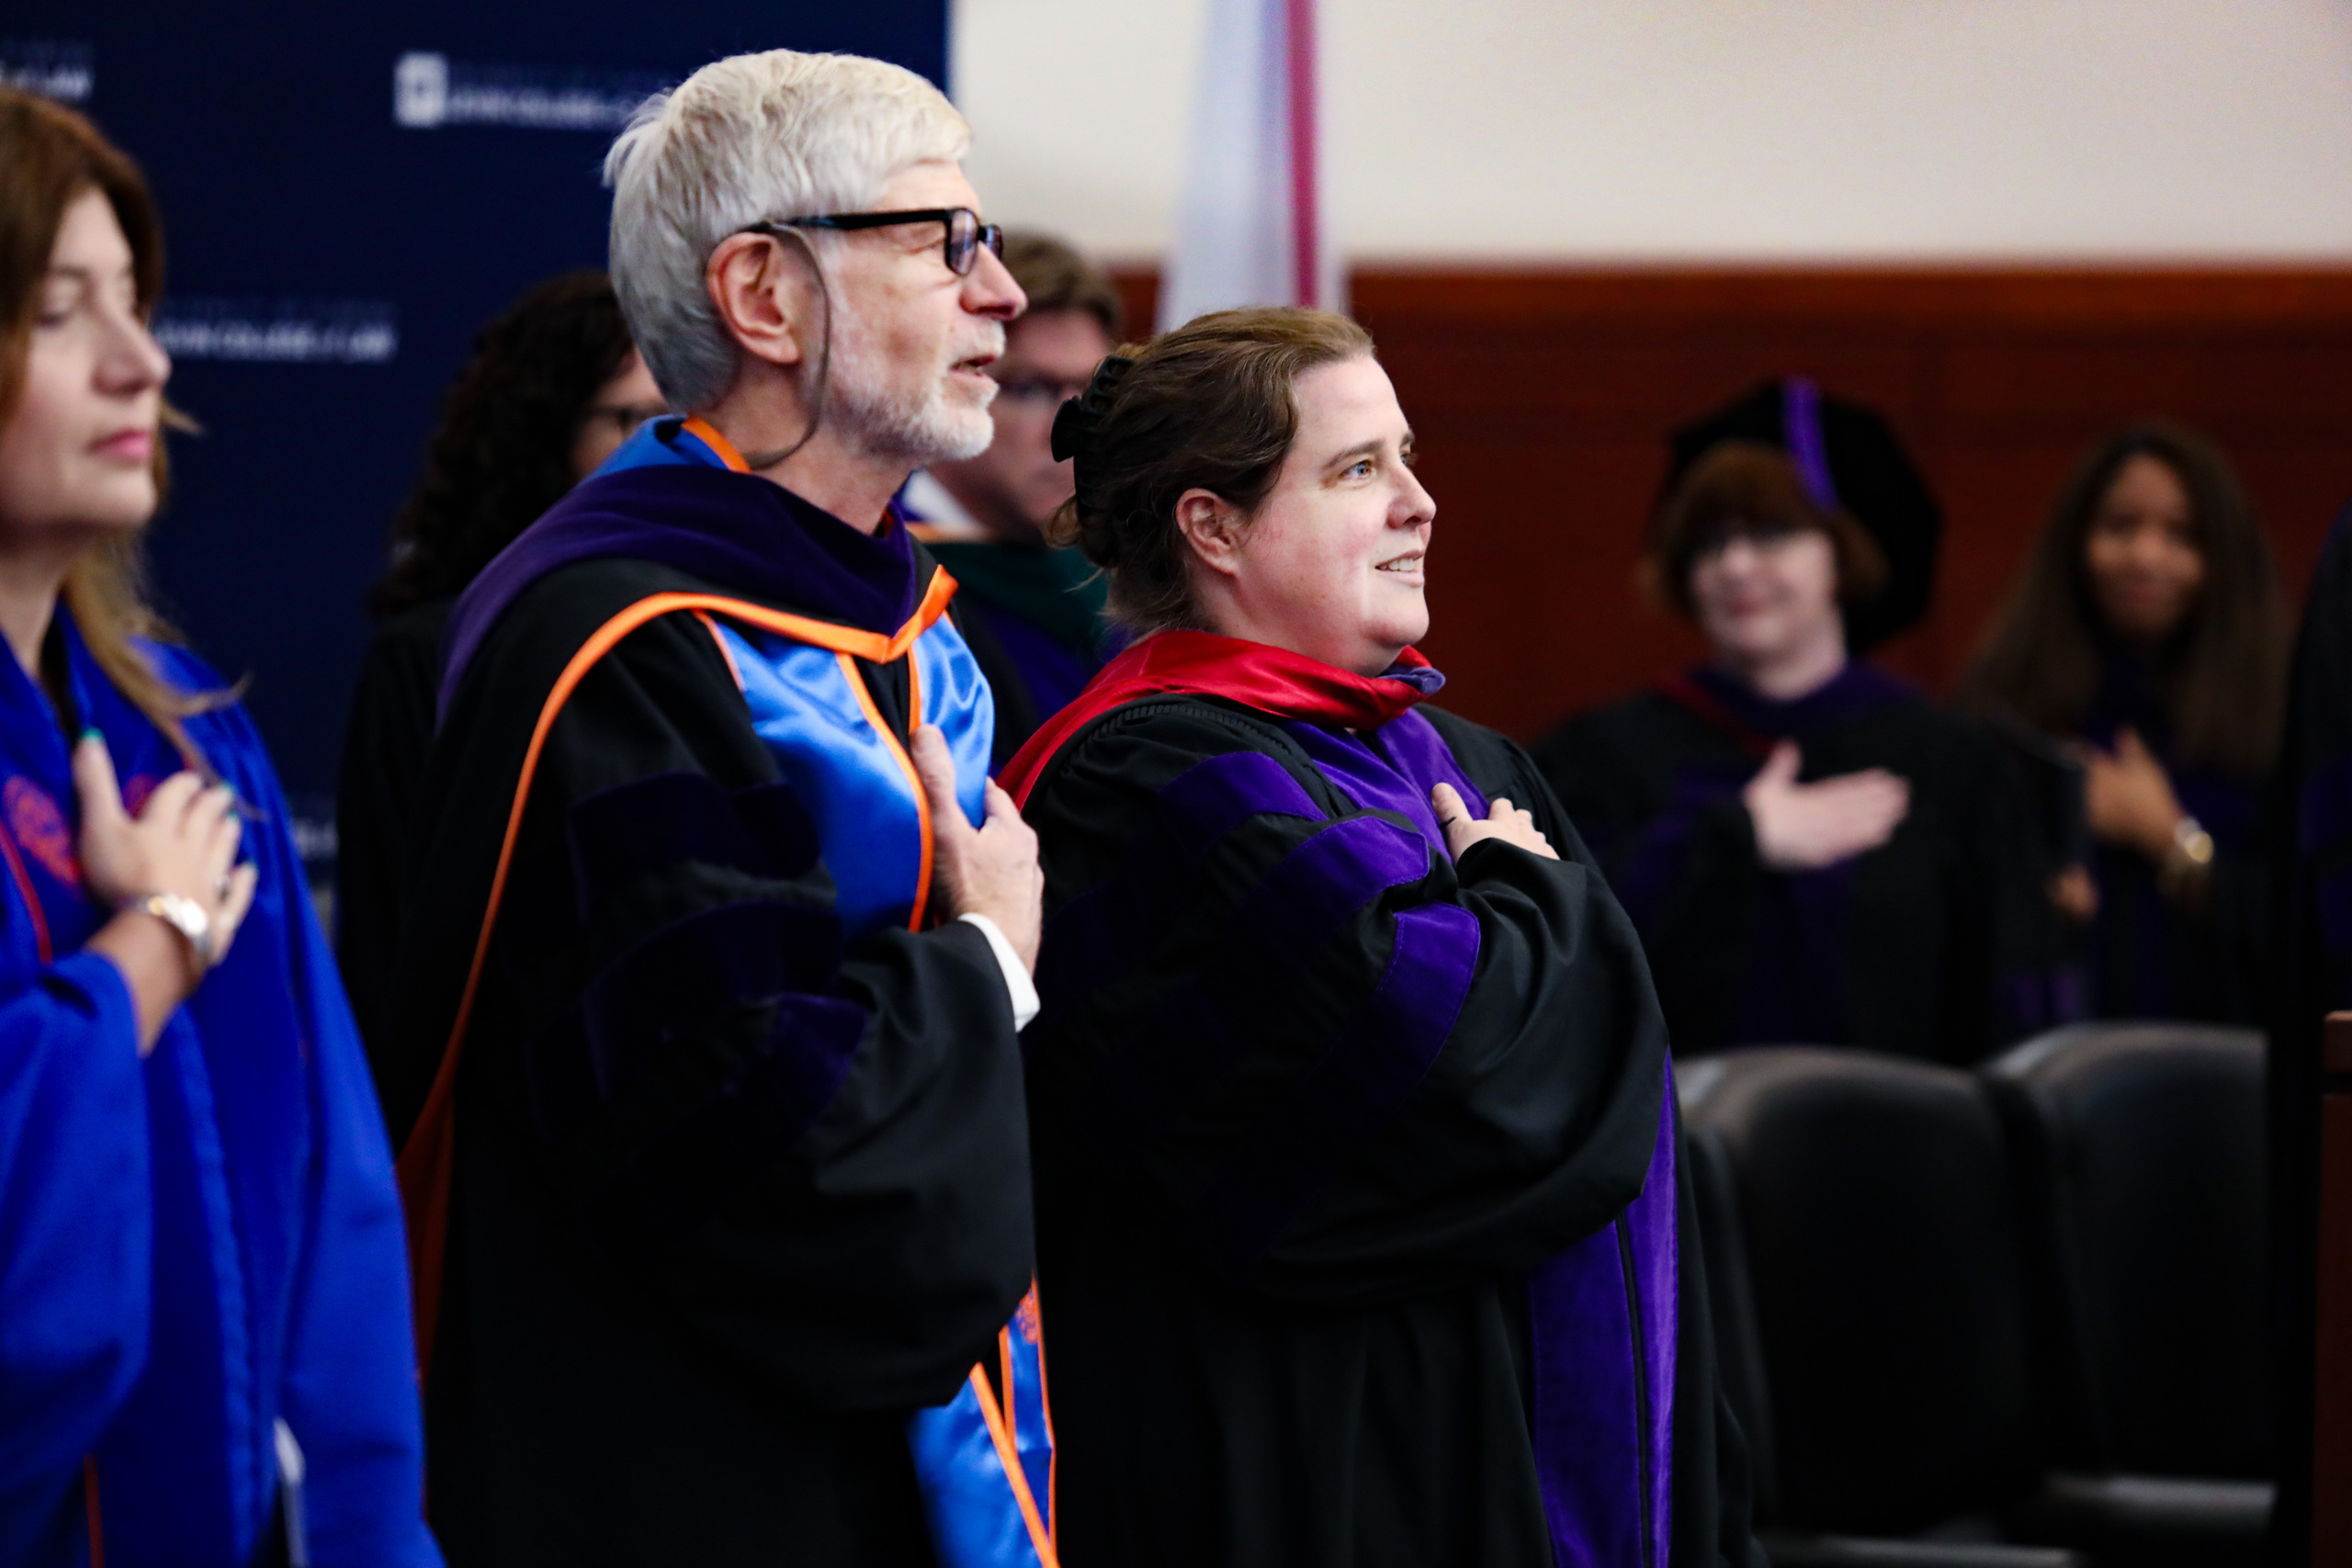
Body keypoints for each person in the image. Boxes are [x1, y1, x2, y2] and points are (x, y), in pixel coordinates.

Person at [379, 51, 1054, 1565]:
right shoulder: (618, 651)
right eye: (945, 239)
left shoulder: (916, 637)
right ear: (765, 296)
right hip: (684, 1468)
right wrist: (990, 959)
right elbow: (742, 1135)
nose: (1001, 291)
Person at [1002, 307, 1756, 1568]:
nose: (1421, 503)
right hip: (1324, 1470)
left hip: (1513, 1457)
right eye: (1359, 469)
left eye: (1407, 456)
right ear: (1214, 526)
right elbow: (1459, 1084)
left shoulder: (1464, 757)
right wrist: (1534, 902)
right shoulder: (1149, 779)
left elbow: (1612, 1098)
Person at [0, 88, 435, 1566]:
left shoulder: (182, 733)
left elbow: (332, 1196)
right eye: (58, 313)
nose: (143, 360)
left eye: (134, 301)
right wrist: (151, 948)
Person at [1534, 398, 2054, 1061]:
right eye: (1709, 542)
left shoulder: (1951, 765)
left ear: (1843, 552)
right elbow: (1561, 954)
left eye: (1772, 532)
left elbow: (2006, 1002)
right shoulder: (1603, 758)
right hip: (1680, 1124)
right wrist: (1735, 839)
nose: (1735, 566)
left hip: (1910, 1121)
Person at [335, 270, 662, 1068]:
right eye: (637, 422)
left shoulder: (747, 647)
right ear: (544, 438)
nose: (672, 452)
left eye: (691, 422)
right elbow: (393, 974)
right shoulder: (430, 660)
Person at [1960, 423, 2289, 1024]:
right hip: (2044, 1055)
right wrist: (2035, 909)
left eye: (2181, 535)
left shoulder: (2274, 719)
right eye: (2120, 527)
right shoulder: (2007, 710)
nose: (2145, 556)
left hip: (2225, 1059)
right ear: (2077, 545)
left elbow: (2301, 933)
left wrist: (2170, 840)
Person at [902, 232, 1123, 764]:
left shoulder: (1111, 570)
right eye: (1031, 389)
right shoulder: (895, 578)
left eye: (1094, 392)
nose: (1076, 428)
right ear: (950, 385)